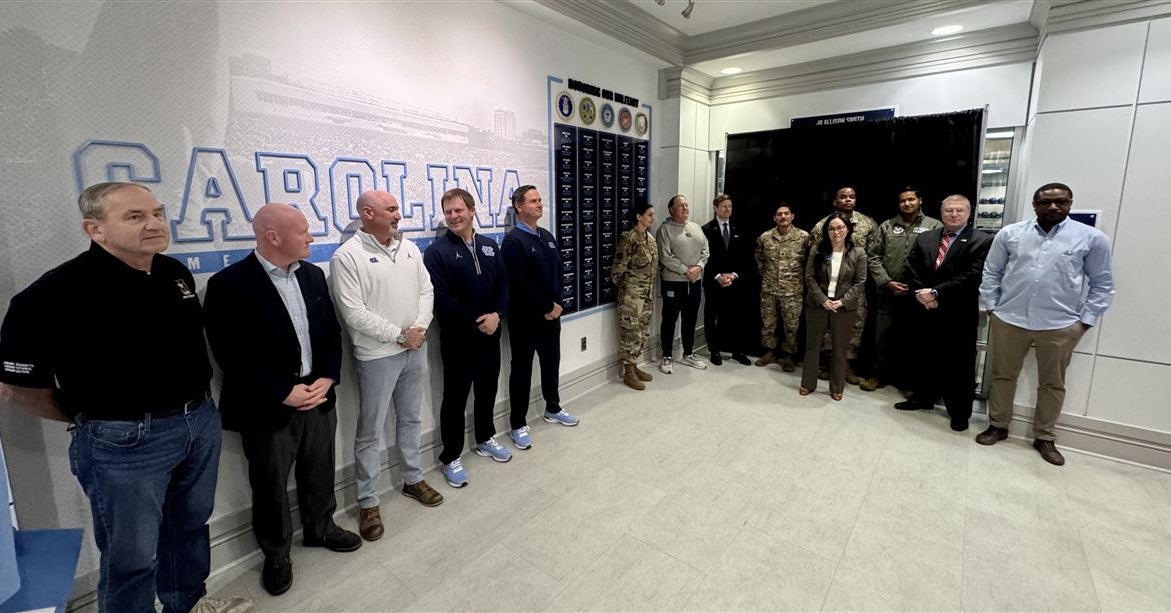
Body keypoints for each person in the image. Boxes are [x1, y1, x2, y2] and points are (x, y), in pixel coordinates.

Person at [0, 182, 251, 613]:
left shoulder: (174, 273)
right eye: (135, 217)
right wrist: (93, 418)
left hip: (197, 422)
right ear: (94, 229)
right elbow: (18, 389)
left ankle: (187, 604)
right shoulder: (52, 294)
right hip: (123, 443)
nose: (154, 224)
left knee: (189, 528)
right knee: (131, 556)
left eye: (157, 213)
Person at [205, 203, 359, 597]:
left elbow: (328, 332)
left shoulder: (312, 275)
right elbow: (231, 353)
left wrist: (327, 376)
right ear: (273, 237)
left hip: (318, 394)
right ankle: (276, 554)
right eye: (304, 231)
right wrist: (281, 390)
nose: (311, 238)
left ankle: (321, 527)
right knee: (270, 483)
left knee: (319, 468)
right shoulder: (229, 285)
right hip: (268, 405)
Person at [329, 190, 443, 544]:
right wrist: (399, 336)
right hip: (377, 357)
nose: (398, 215)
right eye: (391, 209)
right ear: (368, 213)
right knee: (370, 430)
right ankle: (368, 501)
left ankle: (412, 478)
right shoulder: (347, 257)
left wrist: (419, 330)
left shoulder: (408, 248)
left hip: (414, 348)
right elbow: (354, 313)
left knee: (410, 418)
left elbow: (427, 291)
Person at [976, 182, 1115, 465]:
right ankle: (998, 426)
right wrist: (991, 307)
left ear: (1070, 203)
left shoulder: (1090, 238)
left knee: (1052, 383)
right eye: (1045, 202)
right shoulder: (1011, 234)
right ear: (1034, 205)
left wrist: (1084, 322)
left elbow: (1103, 284)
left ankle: (1045, 436)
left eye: (1060, 201)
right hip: (1009, 319)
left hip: (1059, 324)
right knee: (1003, 376)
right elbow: (991, 272)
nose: (1053, 206)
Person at [423, 188, 510, 487]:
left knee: (487, 389)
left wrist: (497, 313)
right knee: (455, 398)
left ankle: (485, 437)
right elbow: (441, 299)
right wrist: (480, 320)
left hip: (491, 333)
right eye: (448, 212)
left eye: (458, 210)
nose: (453, 216)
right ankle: (451, 455)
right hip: (459, 339)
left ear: (472, 211)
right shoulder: (437, 252)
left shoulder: (489, 246)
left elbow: (503, 284)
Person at [896, 195, 992, 431]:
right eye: (949, 210)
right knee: (925, 357)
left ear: (969, 213)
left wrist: (936, 293)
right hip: (925, 309)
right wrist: (923, 294)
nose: (953, 214)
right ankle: (923, 398)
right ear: (941, 213)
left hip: (957, 313)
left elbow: (973, 276)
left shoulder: (983, 241)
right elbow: (911, 268)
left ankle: (959, 412)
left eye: (959, 210)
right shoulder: (926, 238)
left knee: (959, 365)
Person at [501, 185, 580, 451]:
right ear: (519, 206)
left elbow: (558, 272)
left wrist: (557, 304)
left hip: (551, 315)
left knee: (551, 363)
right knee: (522, 370)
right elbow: (518, 283)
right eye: (533, 201)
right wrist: (546, 305)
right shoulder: (513, 242)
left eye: (540, 200)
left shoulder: (546, 236)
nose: (539, 204)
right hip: (525, 318)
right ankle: (517, 424)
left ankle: (553, 408)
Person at [864, 187, 942, 393]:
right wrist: (886, 281)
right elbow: (873, 256)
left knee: (912, 340)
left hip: (918, 295)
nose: (907, 204)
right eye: (903, 201)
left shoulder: (934, 226)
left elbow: (940, 260)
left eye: (911, 199)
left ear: (920, 201)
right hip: (888, 292)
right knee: (882, 337)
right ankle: (879, 376)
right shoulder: (887, 226)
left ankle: (907, 382)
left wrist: (924, 287)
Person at [809, 187, 878, 384]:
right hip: (827, 288)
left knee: (853, 329)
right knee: (827, 329)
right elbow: (815, 255)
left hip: (853, 288)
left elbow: (873, 254)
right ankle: (829, 366)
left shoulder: (868, 224)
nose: (848, 200)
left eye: (852, 196)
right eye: (843, 196)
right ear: (835, 201)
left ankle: (845, 367)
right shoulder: (822, 225)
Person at [800, 213, 867, 401]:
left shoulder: (858, 253)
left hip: (843, 308)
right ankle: (807, 383)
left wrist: (842, 301)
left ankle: (837, 387)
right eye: (831, 228)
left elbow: (860, 282)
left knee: (840, 349)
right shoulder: (816, 250)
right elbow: (809, 277)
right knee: (812, 346)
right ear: (826, 231)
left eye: (840, 228)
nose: (836, 231)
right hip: (818, 304)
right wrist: (823, 300)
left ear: (847, 229)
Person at [656, 194, 710, 373]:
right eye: (681, 205)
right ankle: (666, 356)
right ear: (671, 209)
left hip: (694, 283)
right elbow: (665, 256)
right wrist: (685, 270)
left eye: (687, 205)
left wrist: (699, 267)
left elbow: (705, 250)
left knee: (690, 319)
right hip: (674, 283)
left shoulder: (695, 227)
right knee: (670, 320)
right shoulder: (665, 229)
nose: (685, 208)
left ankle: (688, 354)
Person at [755, 204, 809, 372]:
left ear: (792, 216)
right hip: (769, 289)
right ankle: (770, 352)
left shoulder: (803, 237)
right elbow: (759, 259)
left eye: (786, 214)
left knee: (791, 326)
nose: (783, 217)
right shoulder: (765, 237)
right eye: (779, 214)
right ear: (774, 218)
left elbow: (809, 262)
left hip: (793, 291)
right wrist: (768, 276)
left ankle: (789, 356)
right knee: (768, 324)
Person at [701, 194, 753, 365]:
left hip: (734, 282)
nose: (727, 209)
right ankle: (714, 351)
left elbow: (745, 257)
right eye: (724, 206)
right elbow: (703, 258)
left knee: (735, 318)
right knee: (711, 317)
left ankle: (737, 351)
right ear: (716, 208)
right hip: (713, 281)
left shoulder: (739, 229)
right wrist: (717, 277)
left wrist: (734, 275)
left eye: (730, 206)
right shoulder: (706, 230)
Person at [612, 200, 659, 390]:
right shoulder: (629, 239)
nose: (652, 218)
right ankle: (628, 371)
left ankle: (635, 364)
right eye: (649, 214)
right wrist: (628, 291)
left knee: (642, 332)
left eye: (653, 214)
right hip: (632, 296)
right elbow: (617, 270)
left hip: (647, 295)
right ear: (638, 217)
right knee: (630, 334)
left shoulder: (651, 239)